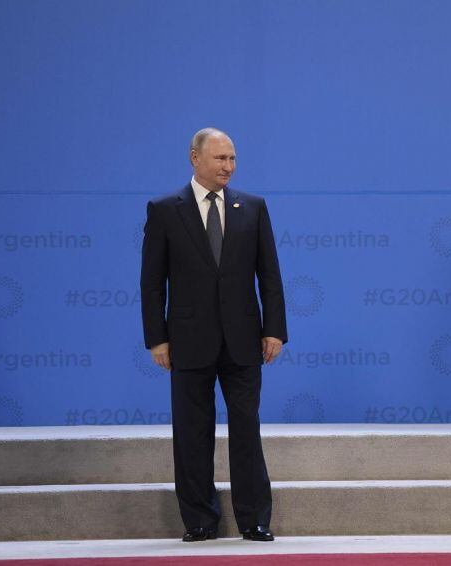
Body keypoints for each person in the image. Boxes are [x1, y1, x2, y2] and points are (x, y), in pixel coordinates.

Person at [141, 127, 287, 541]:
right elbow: (151, 282)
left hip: (244, 339)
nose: (229, 166)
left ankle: (254, 519)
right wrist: (157, 338)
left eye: (233, 159)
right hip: (187, 341)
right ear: (195, 158)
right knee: (191, 434)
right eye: (221, 158)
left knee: (246, 429)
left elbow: (270, 275)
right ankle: (201, 520)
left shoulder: (253, 207)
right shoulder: (165, 209)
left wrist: (274, 329)